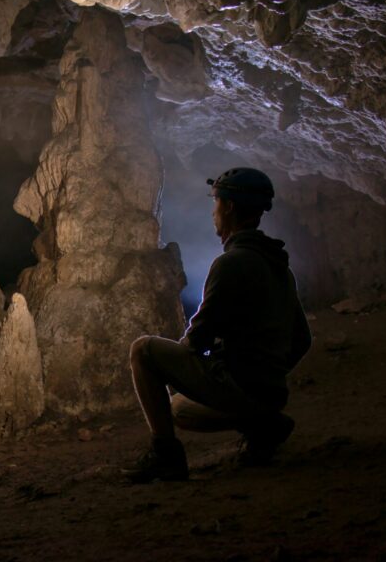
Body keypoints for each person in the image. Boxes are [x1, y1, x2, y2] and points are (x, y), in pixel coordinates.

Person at [125, 167, 312, 483]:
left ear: (229, 207)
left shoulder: (231, 264)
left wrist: (182, 368)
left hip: (241, 385)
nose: (213, 213)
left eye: (216, 204)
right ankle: (263, 424)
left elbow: (198, 337)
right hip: (270, 391)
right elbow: (302, 339)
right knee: (180, 409)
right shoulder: (279, 267)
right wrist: (268, 373)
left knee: (143, 350)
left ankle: (166, 455)